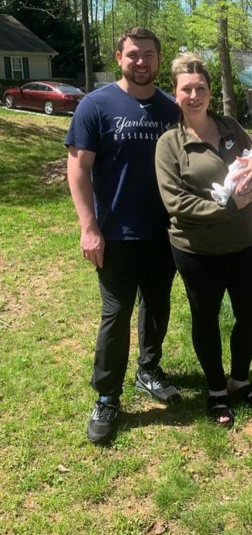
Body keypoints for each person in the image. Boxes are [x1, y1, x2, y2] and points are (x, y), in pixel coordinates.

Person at [66, 27, 181, 445]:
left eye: (149, 54)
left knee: (157, 306)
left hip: (164, 234)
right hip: (115, 235)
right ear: (119, 57)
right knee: (115, 316)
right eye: (133, 54)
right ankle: (107, 395)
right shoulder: (96, 105)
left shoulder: (172, 108)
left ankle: (149, 371)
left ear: (158, 58)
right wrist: (88, 226)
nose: (141, 62)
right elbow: (78, 169)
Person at [155, 52, 252, 427]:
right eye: (186, 89)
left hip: (246, 242)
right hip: (198, 250)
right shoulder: (170, 144)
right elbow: (177, 203)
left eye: (200, 88)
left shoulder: (229, 128)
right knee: (206, 319)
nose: (194, 95)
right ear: (175, 94)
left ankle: (239, 379)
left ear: (209, 91)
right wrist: (232, 207)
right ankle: (216, 390)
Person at [210, 138, 252, 205]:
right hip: (241, 175)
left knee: (233, 182)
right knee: (232, 183)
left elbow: (248, 159)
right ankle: (224, 194)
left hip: (242, 176)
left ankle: (225, 194)